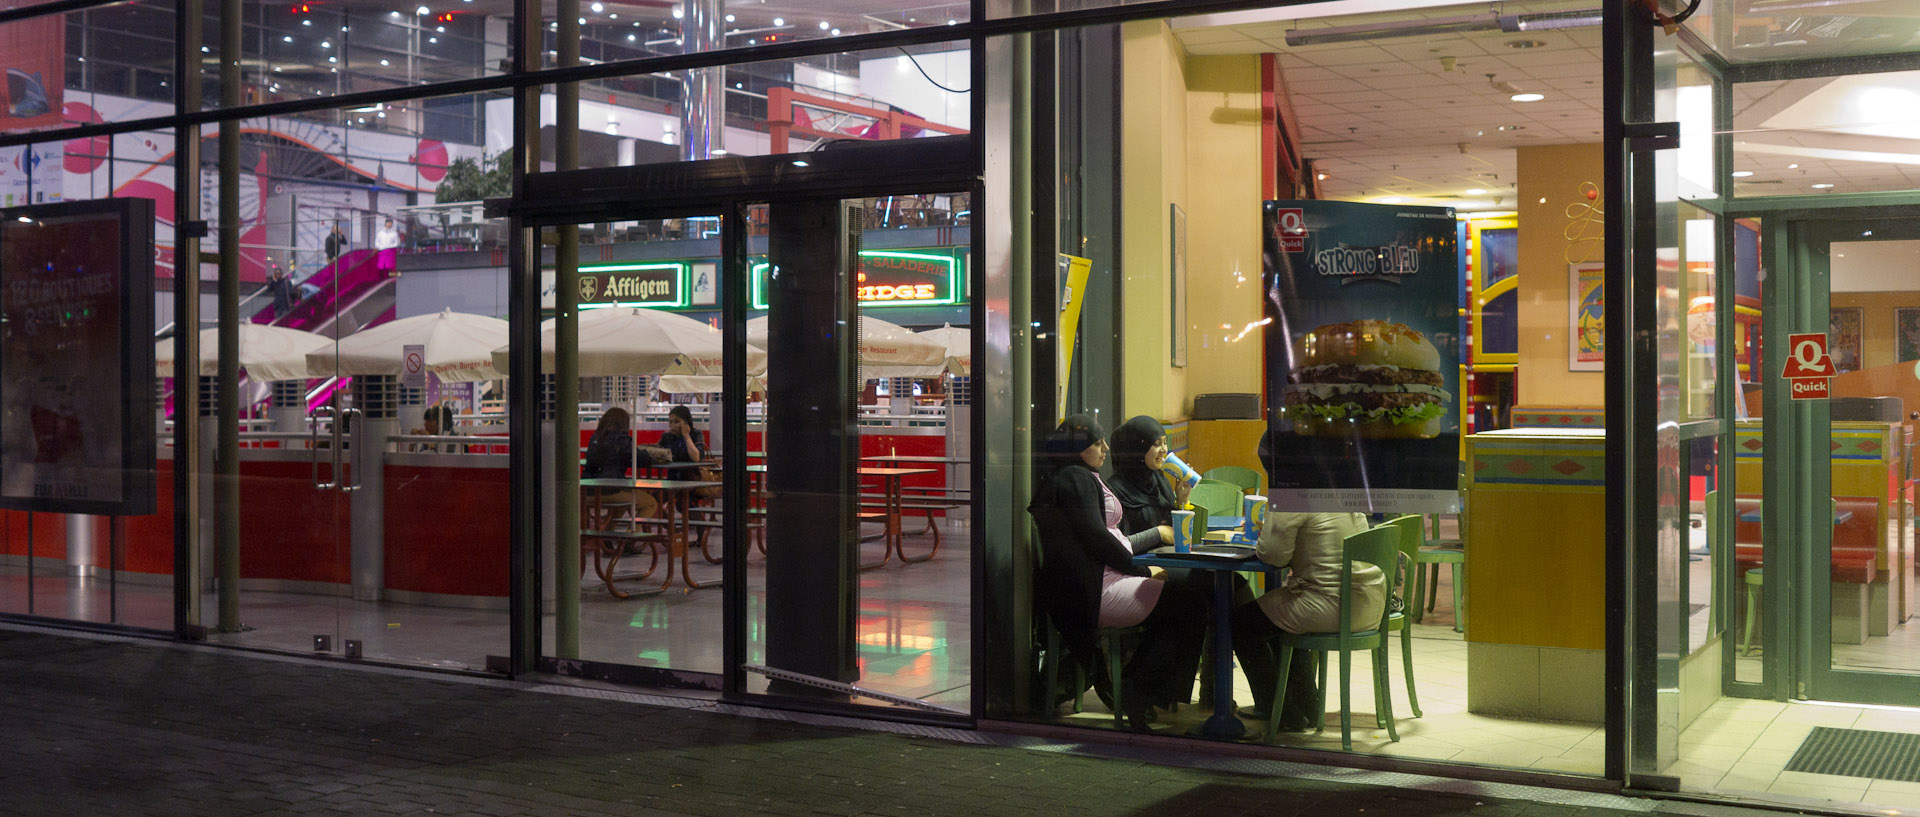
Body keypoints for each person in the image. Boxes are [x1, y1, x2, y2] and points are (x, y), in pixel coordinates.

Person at [1028, 415, 1207, 731]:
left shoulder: (1083, 476)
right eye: (1096, 443)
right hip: (1095, 588)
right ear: (1077, 448)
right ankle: (1137, 687)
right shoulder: (1074, 479)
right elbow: (1097, 539)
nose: (1105, 448)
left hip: (1106, 578)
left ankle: (1137, 686)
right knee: (1193, 601)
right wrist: (1141, 569)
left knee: (1192, 596)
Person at [1229, 431, 1385, 731]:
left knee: (1242, 625)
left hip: (1330, 605)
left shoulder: (1293, 492)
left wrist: (1266, 533)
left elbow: (1272, 555)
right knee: (1281, 612)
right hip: (1367, 601)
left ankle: (1280, 710)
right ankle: (1307, 706)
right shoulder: (1341, 483)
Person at [582, 407, 659, 521]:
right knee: (650, 503)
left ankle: (609, 535)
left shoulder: (595, 438)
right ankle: (630, 535)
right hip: (609, 491)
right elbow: (643, 459)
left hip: (586, 492)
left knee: (624, 502)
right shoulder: (621, 440)